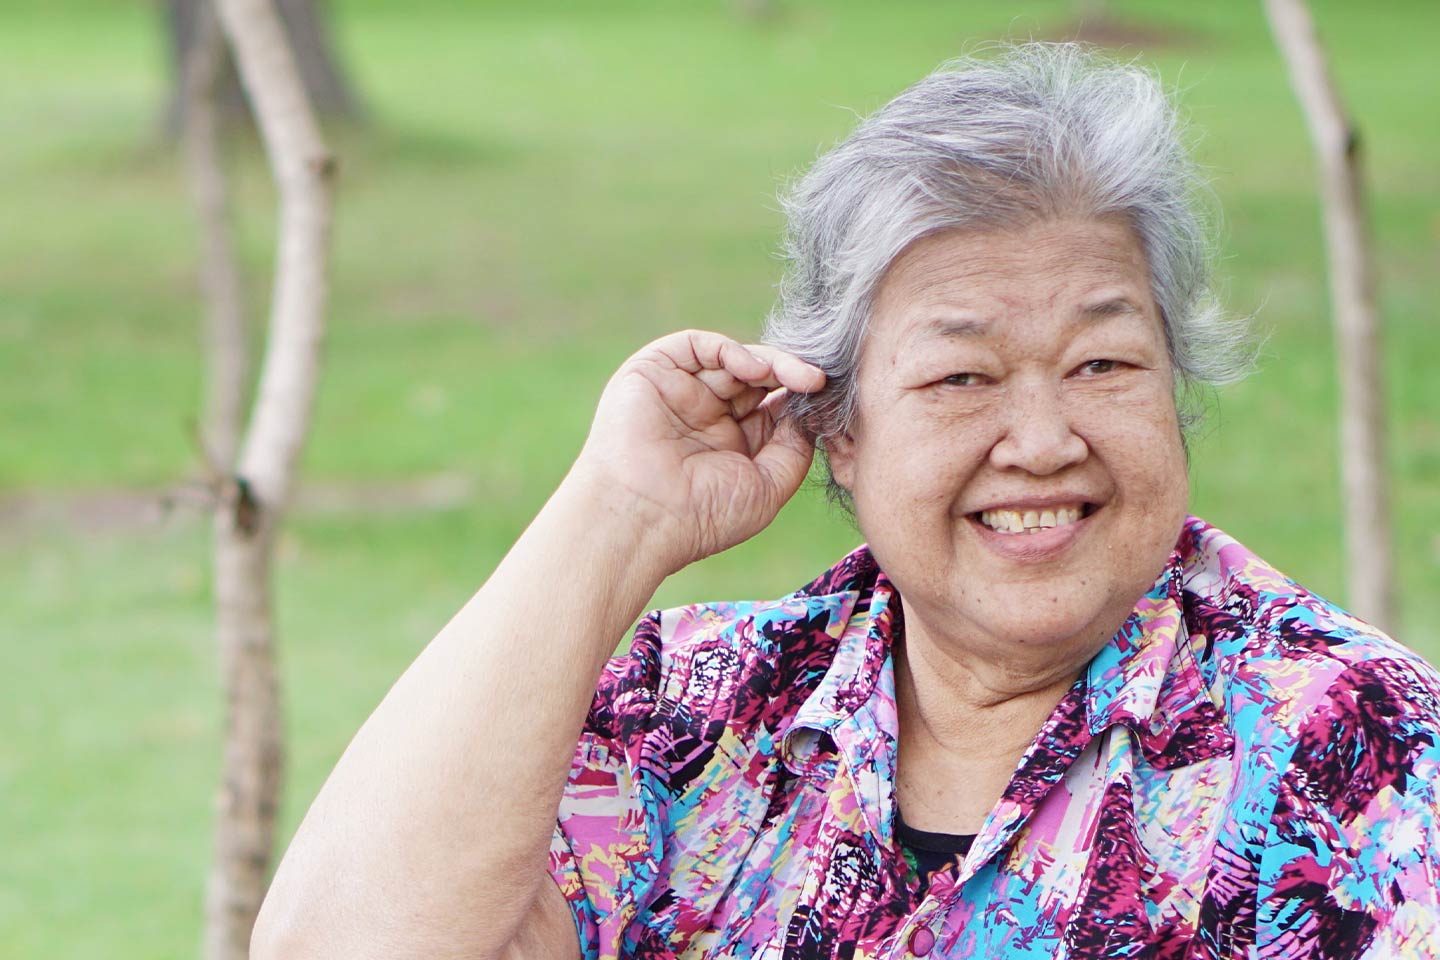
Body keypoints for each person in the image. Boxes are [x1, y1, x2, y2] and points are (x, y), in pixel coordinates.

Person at [251, 44, 1440, 959]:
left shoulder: (1358, 745)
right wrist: (612, 515)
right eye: (961, 376)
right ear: (839, 434)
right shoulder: (702, 717)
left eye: (1103, 365)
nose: (1040, 440)